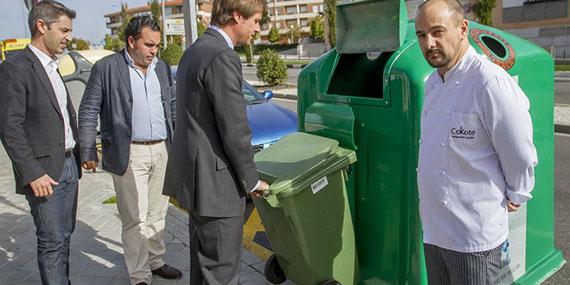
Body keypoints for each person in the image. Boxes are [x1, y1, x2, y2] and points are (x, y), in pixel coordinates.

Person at [415, 0, 538, 284]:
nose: (429, 43)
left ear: (462, 29)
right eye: (422, 35)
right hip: (434, 232)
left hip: (473, 239)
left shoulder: (488, 81)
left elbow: (519, 149)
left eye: (437, 32)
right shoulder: (433, 83)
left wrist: (518, 192)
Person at [162, 0, 269, 283]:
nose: (258, 28)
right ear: (237, 15)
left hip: (197, 185)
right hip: (217, 190)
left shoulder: (195, 51)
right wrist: (253, 181)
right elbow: (235, 130)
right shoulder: (222, 55)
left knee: (203, 270)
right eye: (256, 20)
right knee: (221, 274)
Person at [78, 15, 180, 285]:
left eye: (156, 45)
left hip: (162, 150)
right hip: (129, 152)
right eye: (148, 45)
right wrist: (87, 150)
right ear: (131, 41)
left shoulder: (161, 67)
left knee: (158, 212)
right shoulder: (106, 68)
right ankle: (139, 275)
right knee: (135, 217)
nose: (153, 51)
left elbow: (171, 106)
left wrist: (179, 141)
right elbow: (88, 109)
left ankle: (156, 260)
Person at [0, 1, 81, 284]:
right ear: (41, 26)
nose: (68, 37)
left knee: (65, 236)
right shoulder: (16, 67)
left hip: (69, 166)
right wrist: (32, 172)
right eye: (64, 30)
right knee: (51, 241)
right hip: (44, 173)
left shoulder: (53, 65)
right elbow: (10, 128)